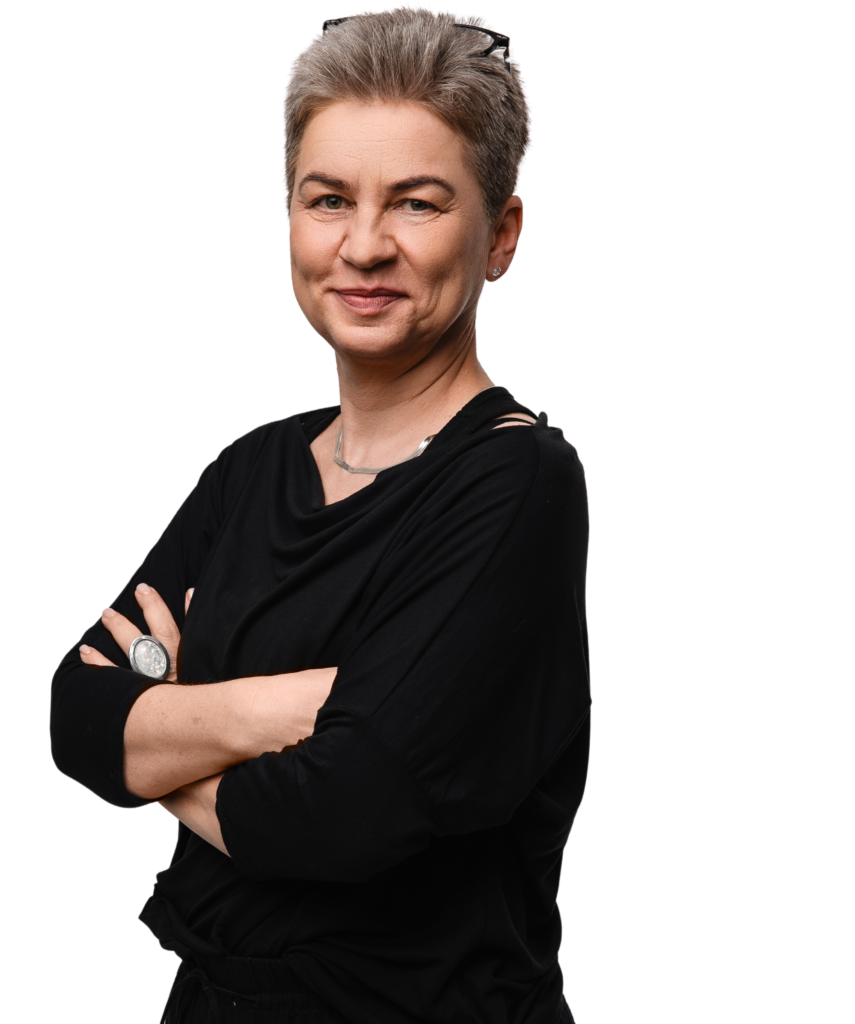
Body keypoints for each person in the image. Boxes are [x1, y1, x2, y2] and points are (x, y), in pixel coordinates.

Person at [49, 6, 590, 1022]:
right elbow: (76, 718)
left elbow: (341, 816)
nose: (364, 245)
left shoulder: (519, 483)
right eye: (329, 198)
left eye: (417, 203)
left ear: (503, 235)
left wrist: (160, 739)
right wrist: (289, 708)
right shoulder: (250, 467)